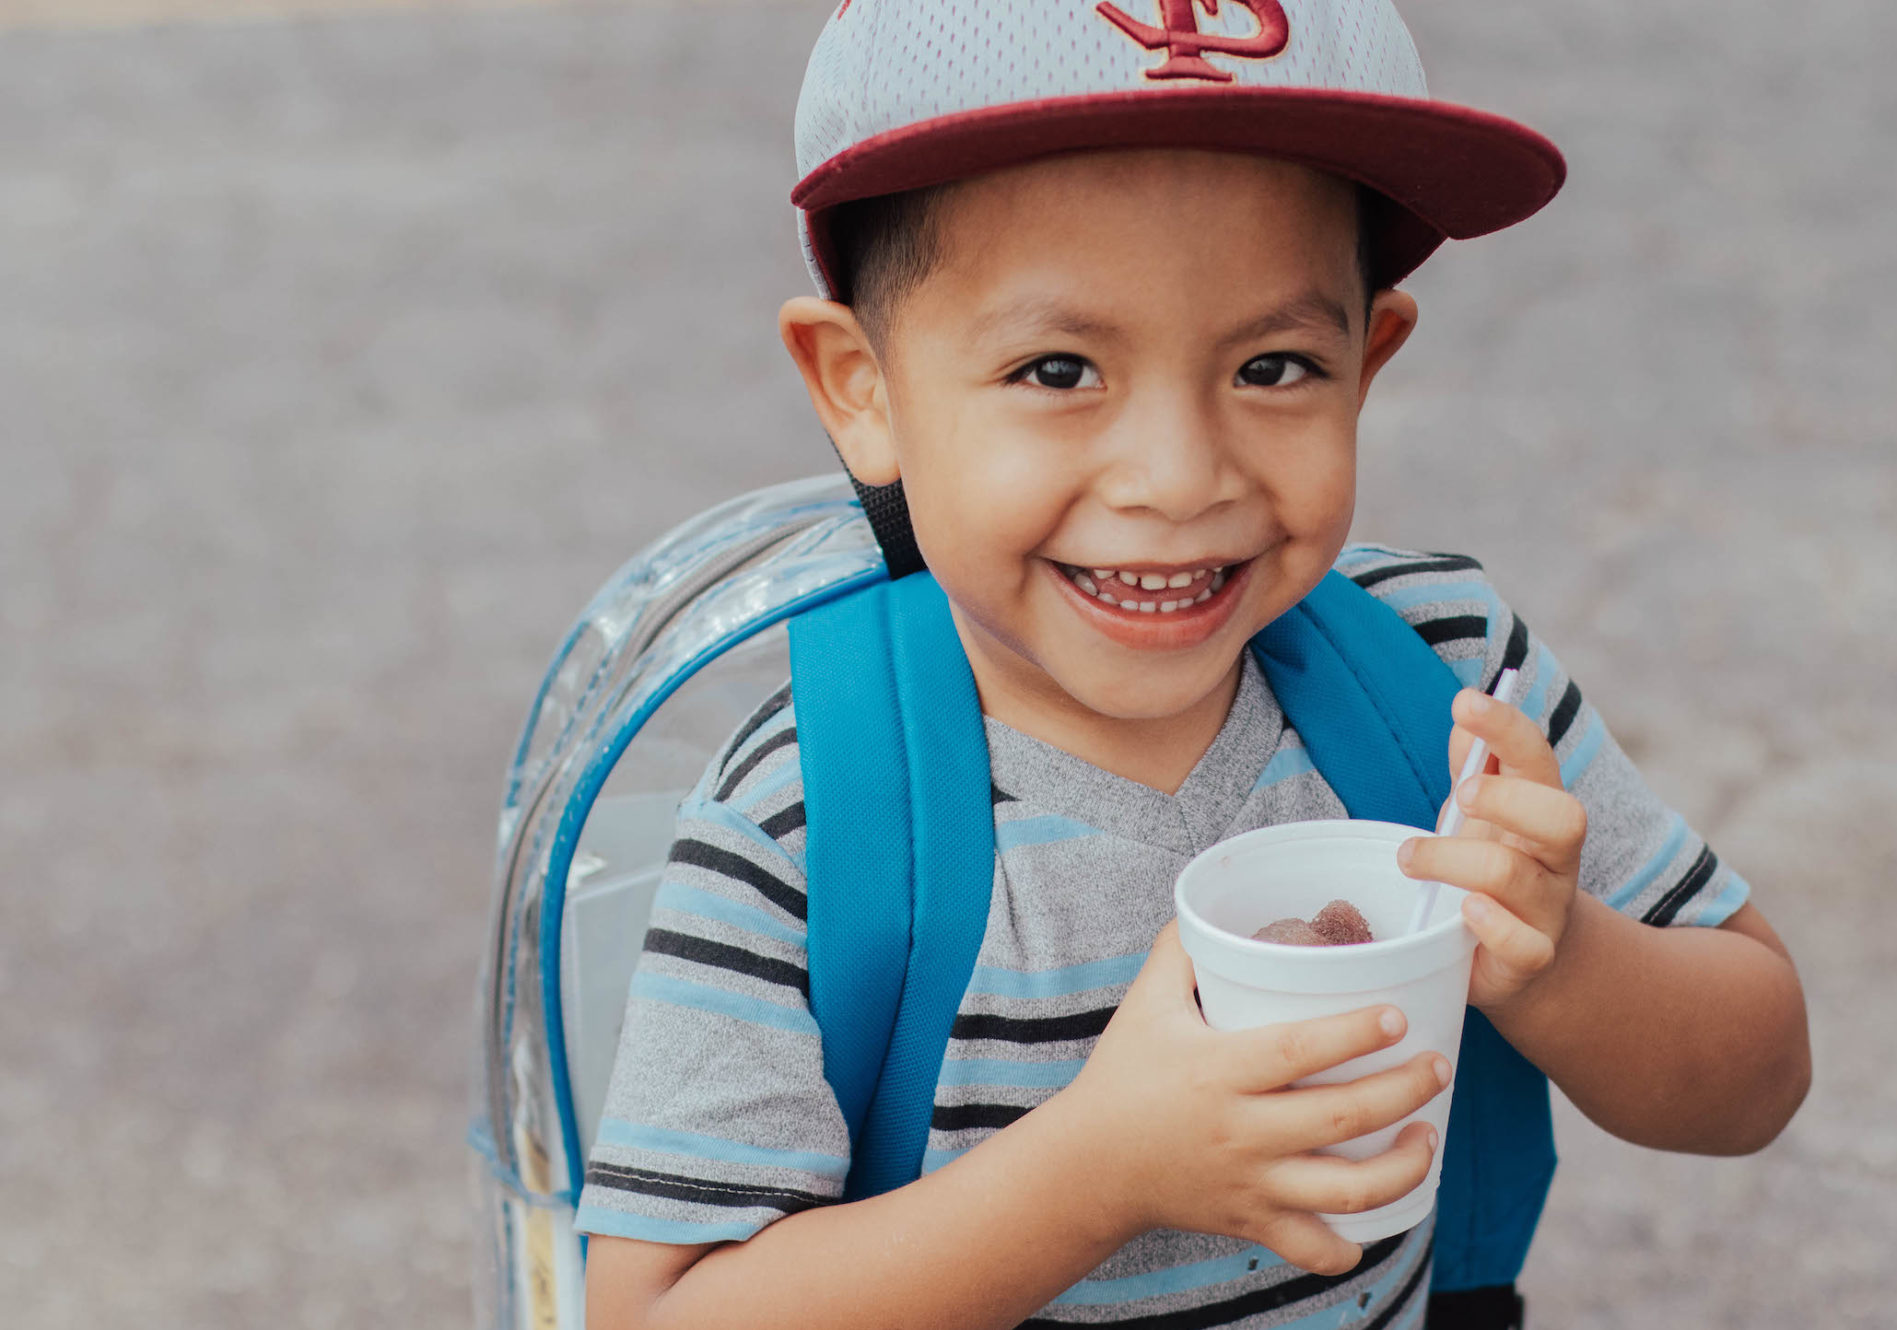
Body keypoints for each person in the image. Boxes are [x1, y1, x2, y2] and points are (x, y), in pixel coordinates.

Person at [576, 2, 1810, 1326]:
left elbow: (1759, 1071)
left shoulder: (1448, 686)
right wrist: (1096, 1171)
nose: (1177, 478)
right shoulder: (812, 812)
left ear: (1369, 359)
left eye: (1274, 365)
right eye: (1059, 369)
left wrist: (1565, 960)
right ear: (860, 387)